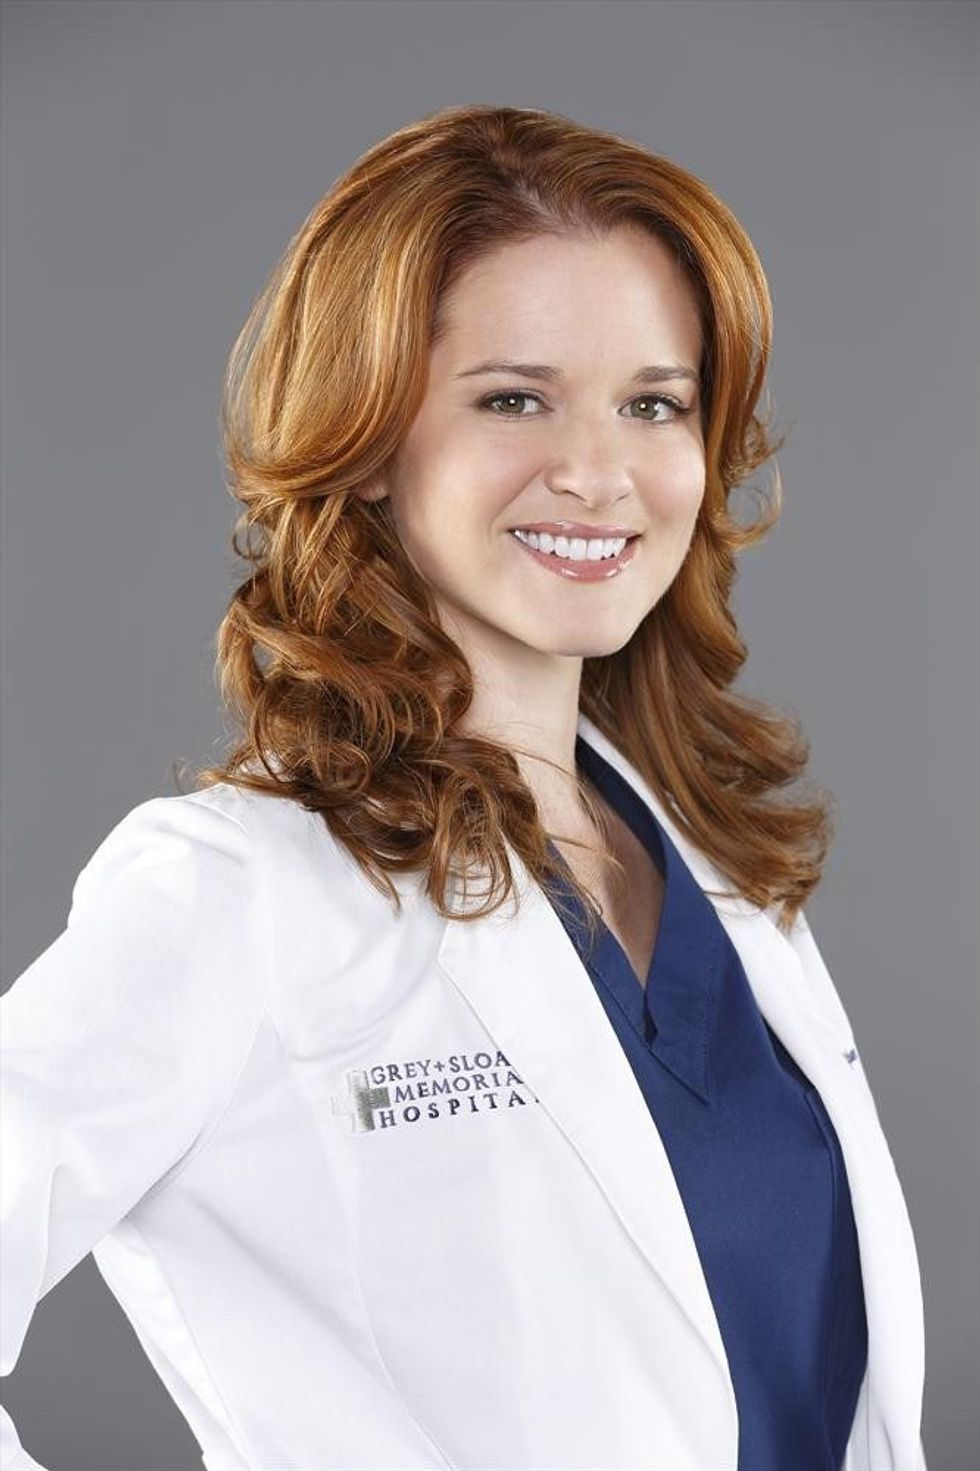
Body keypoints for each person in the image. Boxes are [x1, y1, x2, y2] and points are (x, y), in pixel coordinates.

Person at [1, 103, 927, 1471]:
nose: (598, 474)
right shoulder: (236, 894)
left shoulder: (715, 867)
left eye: (654, 403)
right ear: (370, 439)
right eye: (513, 398)